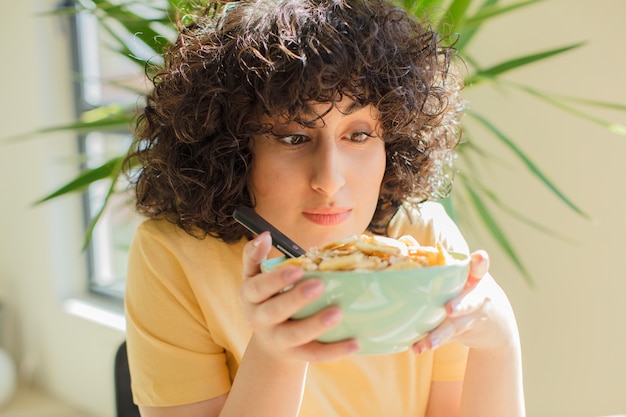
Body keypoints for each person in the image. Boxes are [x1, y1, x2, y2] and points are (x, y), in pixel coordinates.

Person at [122, 0, 526, 416]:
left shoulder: (423, 246)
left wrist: (500, 342)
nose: (330, 179)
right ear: (231, 149)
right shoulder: (172, 256)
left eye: (359, 135)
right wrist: (276, 353)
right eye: (293, 137)